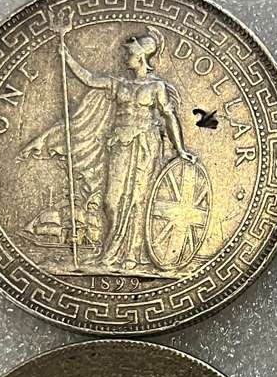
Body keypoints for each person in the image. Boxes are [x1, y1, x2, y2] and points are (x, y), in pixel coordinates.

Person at [21, 27, 196, 272]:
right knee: (111, 201)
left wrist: (180, 149)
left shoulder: (157, 87)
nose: (125, 57)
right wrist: (66, 57)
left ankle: (132, 255)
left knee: (138, 200)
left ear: (141, 57)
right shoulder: (119, 83)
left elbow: (170, 117)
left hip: (145, 144)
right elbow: (89, 79)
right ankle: (110, 252)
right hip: (119, 144)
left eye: (130, 53)